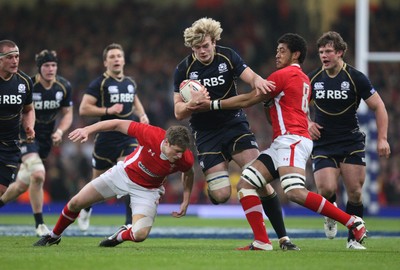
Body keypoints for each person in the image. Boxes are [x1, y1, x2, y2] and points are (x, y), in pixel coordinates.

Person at [190, 33, 367, 251]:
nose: (277, 54)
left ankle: (352, 221)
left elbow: (248, 99)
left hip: (292, 139)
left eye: (282, 50)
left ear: (296, 54)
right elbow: (270, 113)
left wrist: (212, 104)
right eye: (276, 50)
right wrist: (270, 104)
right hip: (283, 141)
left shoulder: (284, 74)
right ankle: (262, 241)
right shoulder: (302, 78)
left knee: (293, 191)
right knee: (246, 183)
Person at [173, 17, 298, 250]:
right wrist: (191, 105)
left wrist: (259, 80)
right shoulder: (183, 69)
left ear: (214, 41)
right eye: (197, 47)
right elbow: (178, 111)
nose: (202, 51)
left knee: (257, 178)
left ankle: (282, 238)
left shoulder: (228, 56)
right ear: (192, 48)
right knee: (220, 195)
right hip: (206, 132)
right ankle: (216, 187)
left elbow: (250, 77)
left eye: (206, 45)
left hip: (234, 124)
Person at [33, 119, 194, 247]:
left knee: (140, 235)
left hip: (148, 190)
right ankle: (54, 236)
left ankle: (119, 236)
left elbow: (188, 173)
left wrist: (186, 200)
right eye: (177, 151)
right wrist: (88, 129)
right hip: (122, 174)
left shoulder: (185, 158)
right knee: (76, 203)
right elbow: (117, 124)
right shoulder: (150, 134)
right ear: (166, 143)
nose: (180, 156)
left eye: (182, 151)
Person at [307, 31, 390, 249]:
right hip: (323, 141)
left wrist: (382, 138)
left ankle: (353, 239)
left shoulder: (355, 77)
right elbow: (298, 106)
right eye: (321, 52)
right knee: (325, 189)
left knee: (354, 191)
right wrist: (307, 123)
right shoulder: (313, 78)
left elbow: (379, 106)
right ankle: (331, 213)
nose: (324, 56)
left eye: (328, 52)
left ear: (340, 52)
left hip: (350, 140)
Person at [0, 49, 73, 236]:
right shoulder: (27, 84)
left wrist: (60, 131)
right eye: (46, 65)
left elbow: (67, 113)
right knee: (39, 174)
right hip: (24, 136)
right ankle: (40, 224)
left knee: (20, 185)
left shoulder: (63, 87)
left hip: (46, 140)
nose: (50, 69)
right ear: (39, 68)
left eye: (54, 65)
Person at [78, 43, 149, 231]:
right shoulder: (99, 84)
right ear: (105, 62)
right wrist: (108, 110)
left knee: (129, 173)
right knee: (96, 182)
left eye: (119, 56)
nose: (116, 59)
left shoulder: (130, 83)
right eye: (112, 57)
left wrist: (142, 115)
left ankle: (128, 221)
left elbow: (135, 100)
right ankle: (86, 208)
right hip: (106, 139)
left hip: (127, 136)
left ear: (124, 60)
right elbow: (84, 108)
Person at [0, 40, 35, 197]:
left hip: (9, 145)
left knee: (2, 190)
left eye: (17, 56)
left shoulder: (25, 82)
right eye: (10, 57)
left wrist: (29, 127)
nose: (15, 61)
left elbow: (28, 110)